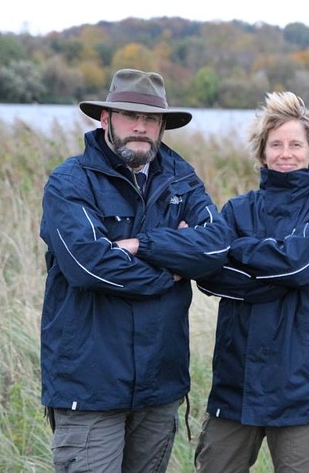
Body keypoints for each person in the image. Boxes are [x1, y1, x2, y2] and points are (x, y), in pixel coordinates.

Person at [39, 68, 232, 472]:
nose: (141, 127)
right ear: (106, 118)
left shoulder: (182, 180)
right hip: (90, 387)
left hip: (159, 386)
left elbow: (216, 247)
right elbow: (88, 267)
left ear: (162, 125)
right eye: (130, 116)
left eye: (151, 119)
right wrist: (173, 271)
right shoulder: (70, 182)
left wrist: (145, 245)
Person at [193, 92, 309, 473]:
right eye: (275, 144)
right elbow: (210, 275)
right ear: (262, 153)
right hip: (237, 378)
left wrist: (240, 248)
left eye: (296, 144)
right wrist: (276, 263)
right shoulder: (236, 209)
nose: (285, 153)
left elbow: (299, 267)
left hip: (304, 383)